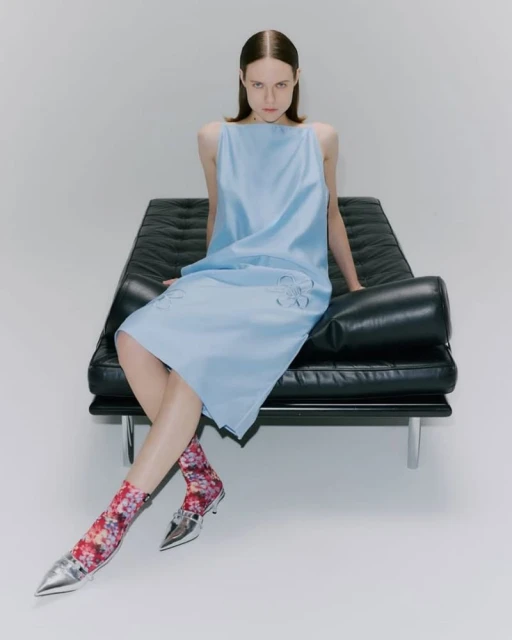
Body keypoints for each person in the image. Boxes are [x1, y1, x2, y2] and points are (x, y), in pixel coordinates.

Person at [34, 28, 363, 597]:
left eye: (280, 85)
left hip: (289, 281)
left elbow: (331, 215)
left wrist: (354, 287)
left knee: (190, 366)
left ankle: (109, 526)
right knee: (132, 338)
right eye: (257, 85)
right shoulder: (214, 138)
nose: (269, 98)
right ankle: (199, 477)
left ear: (297, 80)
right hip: (230, 271)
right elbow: (219, 214)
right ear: (241, 81)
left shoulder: (321, 138)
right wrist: (205, 275)